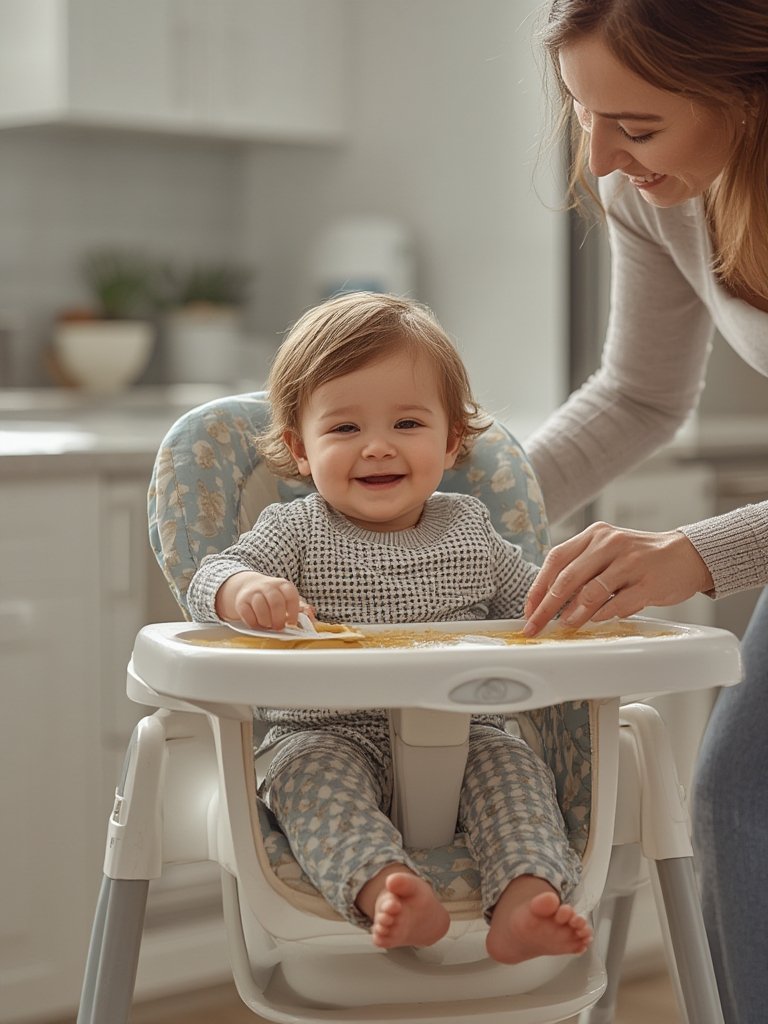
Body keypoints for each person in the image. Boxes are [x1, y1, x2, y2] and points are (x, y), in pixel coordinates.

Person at [187, 291, 591, 964]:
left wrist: (586, 597)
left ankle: (524, 898)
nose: (376, 447)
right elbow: (211, 576)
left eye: (407, 423)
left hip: (470, 729)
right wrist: (243, 589)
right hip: (323, 730)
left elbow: (538, 601)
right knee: (312, 787)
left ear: (452, 440)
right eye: (344, 429)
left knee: (518, 775)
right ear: (300, 448)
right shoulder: (295, 531)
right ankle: (388, 891)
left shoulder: (470, 528)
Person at [519, 3, 768, 1020]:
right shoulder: (656, 200)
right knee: (739, 801)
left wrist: (700, 554)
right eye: (583, 113)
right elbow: (638, 396)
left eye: (638, 123)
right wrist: (451, 515)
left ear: (749, 99)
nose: (606, 158)